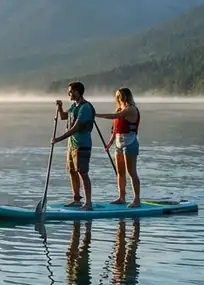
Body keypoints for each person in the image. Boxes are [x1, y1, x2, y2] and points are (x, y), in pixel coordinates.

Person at [53, 81, 96, 210]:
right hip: (72, 145)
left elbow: (76, 128)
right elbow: (63, 117)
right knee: (71, 171)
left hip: (82, 145)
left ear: (78, 92)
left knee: (82, 173)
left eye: (71, 91)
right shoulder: (74, 106)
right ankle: (76, 199)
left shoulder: (85, 108)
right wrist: (60, 107)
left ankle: (88, 203)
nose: (69, 94)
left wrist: (58, 139)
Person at [96, 87, 141, 207]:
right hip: (118, 143)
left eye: (120, 96)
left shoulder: (131, 109)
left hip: (130, 142)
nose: (119, 98)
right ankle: (121, 197)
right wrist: (109, 143)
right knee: (120, 172)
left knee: (131, 172)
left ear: (126, 97)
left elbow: (114, 116)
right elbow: (116, 130)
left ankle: (137, 199)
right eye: (117, 96)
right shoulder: (120, 109)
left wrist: (96, 115)